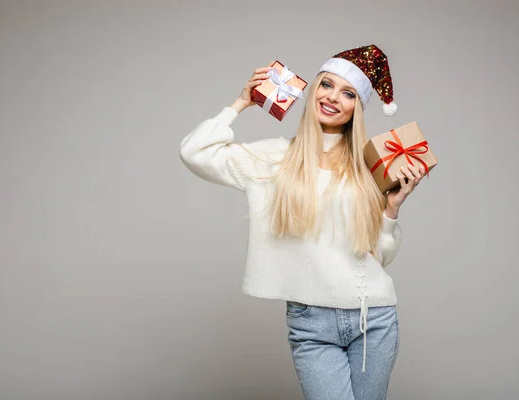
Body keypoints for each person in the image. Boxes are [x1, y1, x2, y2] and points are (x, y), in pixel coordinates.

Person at [179, 44, 426, 400]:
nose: (333, 98)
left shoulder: (369, 167)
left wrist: (391, 211)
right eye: (326, 85)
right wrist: (240, 103)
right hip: (311, 323)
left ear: (358, 107)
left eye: (348, 93)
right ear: (313, 90)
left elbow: (380, 257)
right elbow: (194, 152)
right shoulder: (274, 157)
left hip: (372, 318)